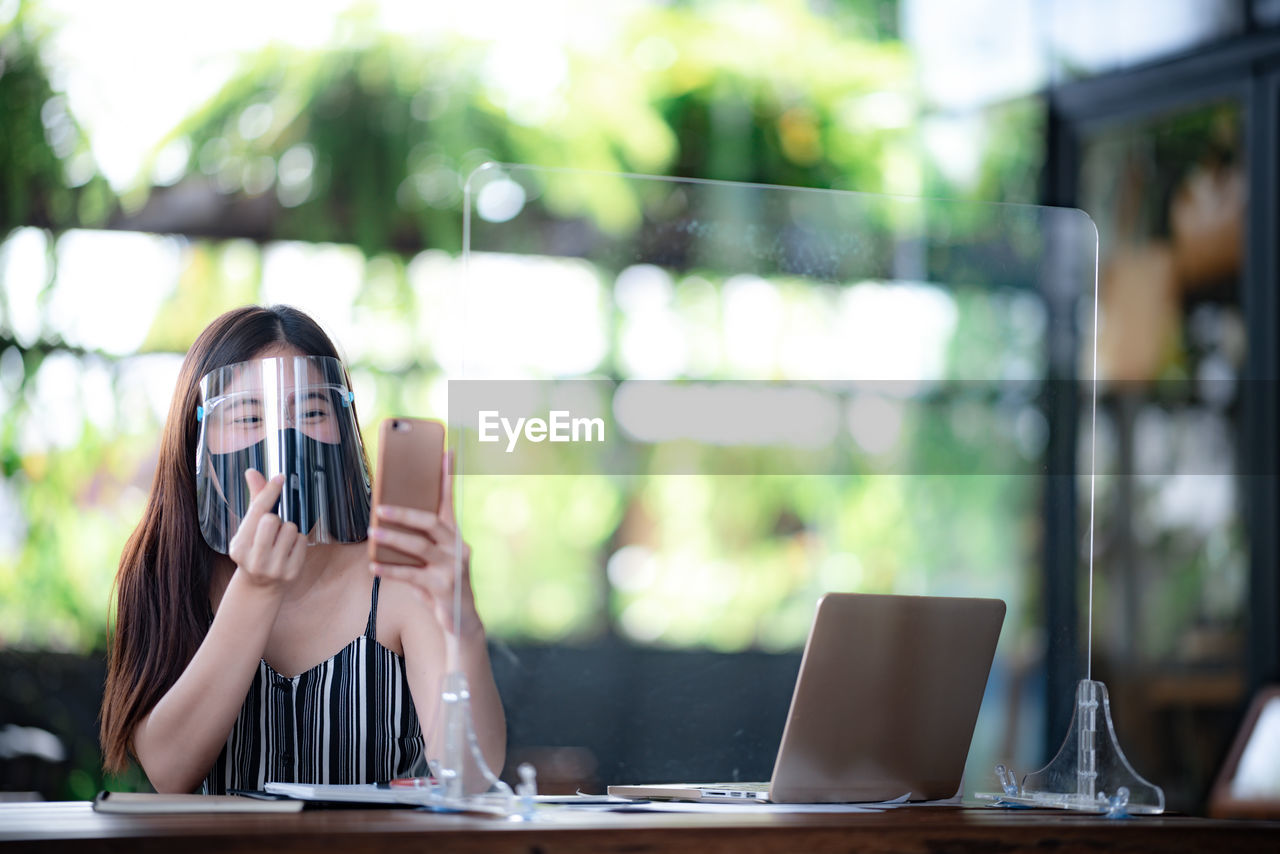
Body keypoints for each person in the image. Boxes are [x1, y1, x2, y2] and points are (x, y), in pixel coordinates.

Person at [99, 304, 505, 794]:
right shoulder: (163, 574)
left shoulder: (397, 578)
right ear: (199, 440)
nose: (281, 438)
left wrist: (464, 628)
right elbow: (169, 770)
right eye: (247, 416)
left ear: (342, 426)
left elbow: (470, 777)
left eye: (312, 412)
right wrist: (257, 587)